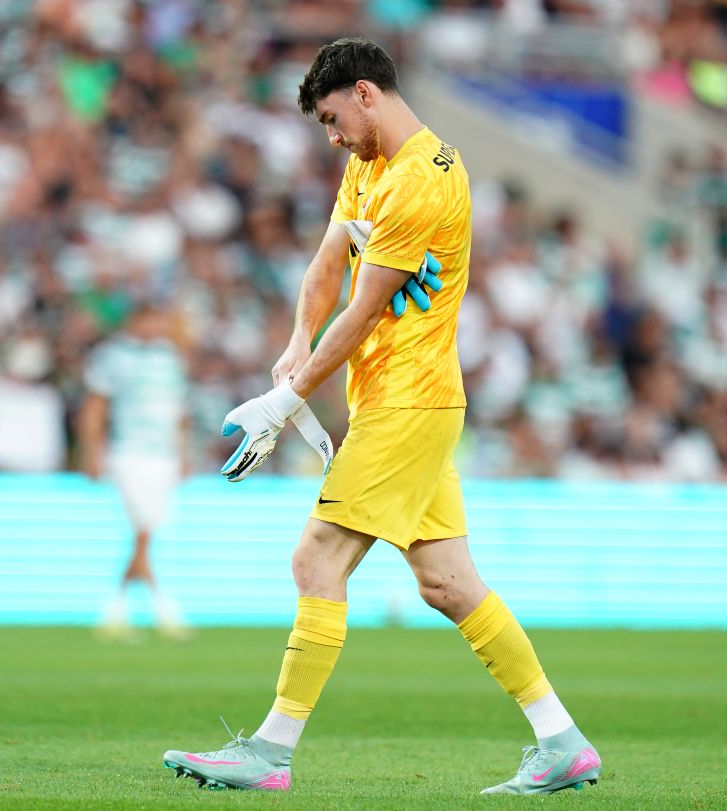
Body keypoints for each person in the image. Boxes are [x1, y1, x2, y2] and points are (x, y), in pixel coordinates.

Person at [162, 37, 599, 796]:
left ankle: (270, 752)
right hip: (407, 400)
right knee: (448, 582)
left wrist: (286, 400)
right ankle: (561, 739)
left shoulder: (425, 181)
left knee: (316, 560)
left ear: (366, 94)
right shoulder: (366, 164)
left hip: (407, 399)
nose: (331, 138)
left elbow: (364, 312)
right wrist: (296, 345)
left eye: (333, 119)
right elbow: (330, 263)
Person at [79, 300, 190, 639]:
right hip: (129, 451)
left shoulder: (170, 359)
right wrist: (91, 451)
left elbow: (178, 411)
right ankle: (160, 605)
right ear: (134, 321)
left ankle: (117, 605)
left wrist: (184, 452)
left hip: (164, 455)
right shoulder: (113, 356)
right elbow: (96, 406)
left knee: (147, 529)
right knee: (143, 527)